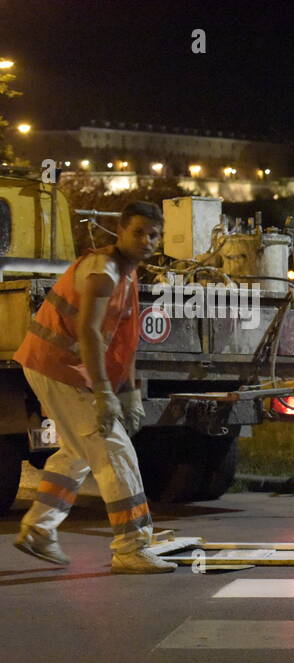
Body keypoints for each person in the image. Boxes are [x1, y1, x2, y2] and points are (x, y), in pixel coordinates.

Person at [12, 201, 176, 573]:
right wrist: (104, 392)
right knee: (115, 451)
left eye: (154, 235)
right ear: (119, 232)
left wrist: (129, 389)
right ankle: (130, 546)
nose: (147, 241)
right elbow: (88, 329)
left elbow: (125, 338)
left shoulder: (127, 273)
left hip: (57, 366)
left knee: (79, 451)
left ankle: (39, 528)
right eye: (138, 232)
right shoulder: (104, 271)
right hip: (57, 367)